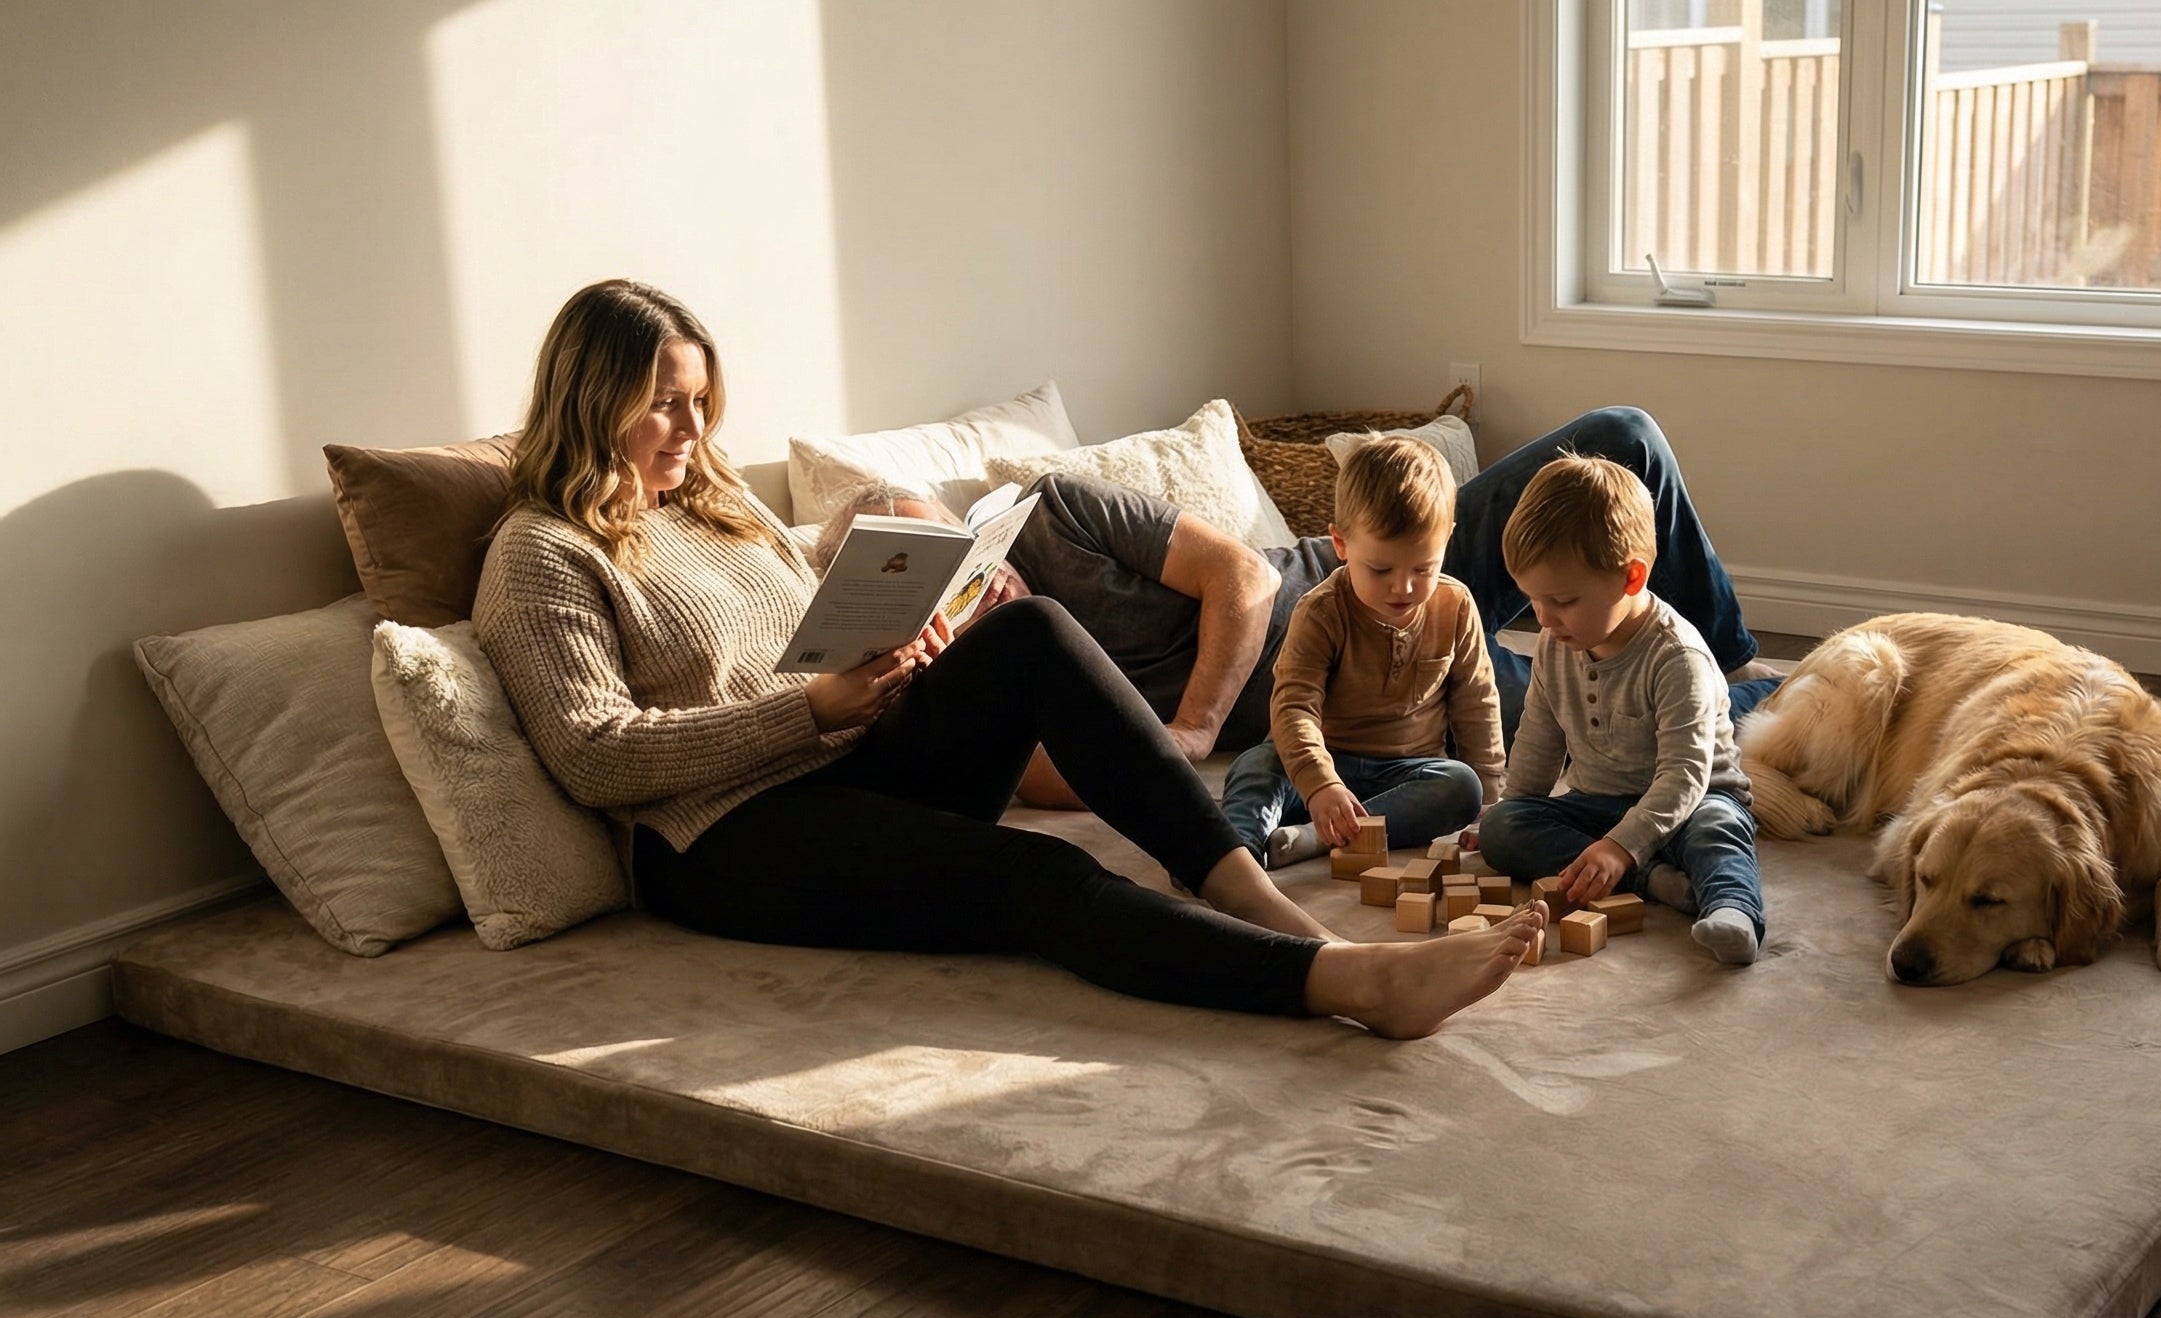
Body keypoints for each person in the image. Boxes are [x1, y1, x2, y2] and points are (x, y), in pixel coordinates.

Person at [472, 279, 1546, 1039]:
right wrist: (810, 712)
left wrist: (897, 655)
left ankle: (1269, 909)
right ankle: (1335, 983)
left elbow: (806, 647)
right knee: (1039, 875)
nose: (689, 427)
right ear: (589, 396)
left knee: (1026, 633)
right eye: (664, 400)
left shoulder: (715, 506)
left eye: (700, 400)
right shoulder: (541, 552)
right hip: (718, 838)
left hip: (844, 757)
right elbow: (595, 757)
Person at [1000, 408, 1780, 807]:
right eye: (952, 594)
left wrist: (1197, 727)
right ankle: (1772, 693)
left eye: (966, 556)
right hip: (1389, 700)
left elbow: (1245, 579)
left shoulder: (1052, 509)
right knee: (1614, 722)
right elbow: (1052, 780)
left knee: (1623, 434)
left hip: (1385, 569)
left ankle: (1727, 651)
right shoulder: (992, 665)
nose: (983, 588)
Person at [1475, 454, 1767, 967]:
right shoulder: (1554, 643)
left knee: (1717, 834)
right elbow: (1540, 738)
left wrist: (1622, 845)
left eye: (1562, 601)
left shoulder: (1679, 658)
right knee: (1504, 828)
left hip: (1691, 801)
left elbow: (1684, 776)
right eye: (1532, 600)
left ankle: (1733, 910)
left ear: (1631, 578)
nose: (1543, 618)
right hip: (1596, 803)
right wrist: (1514, 805)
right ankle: (1656, 882)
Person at [1220, 437, 1503, 868]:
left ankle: (1320, 837)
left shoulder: (1456, 606)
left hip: (1408, 776)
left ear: (1446, 540)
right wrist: (1319, 783)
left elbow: (1477, 703)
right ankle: (1231, 851)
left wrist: (1489, 804)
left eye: (1423, 568)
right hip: (1323, 764)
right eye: (1381, 569)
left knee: (1462, 786)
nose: (1403, 588)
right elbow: (1293, 706)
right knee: (1259, 764)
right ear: (1341, 544)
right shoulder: (1321, 611)